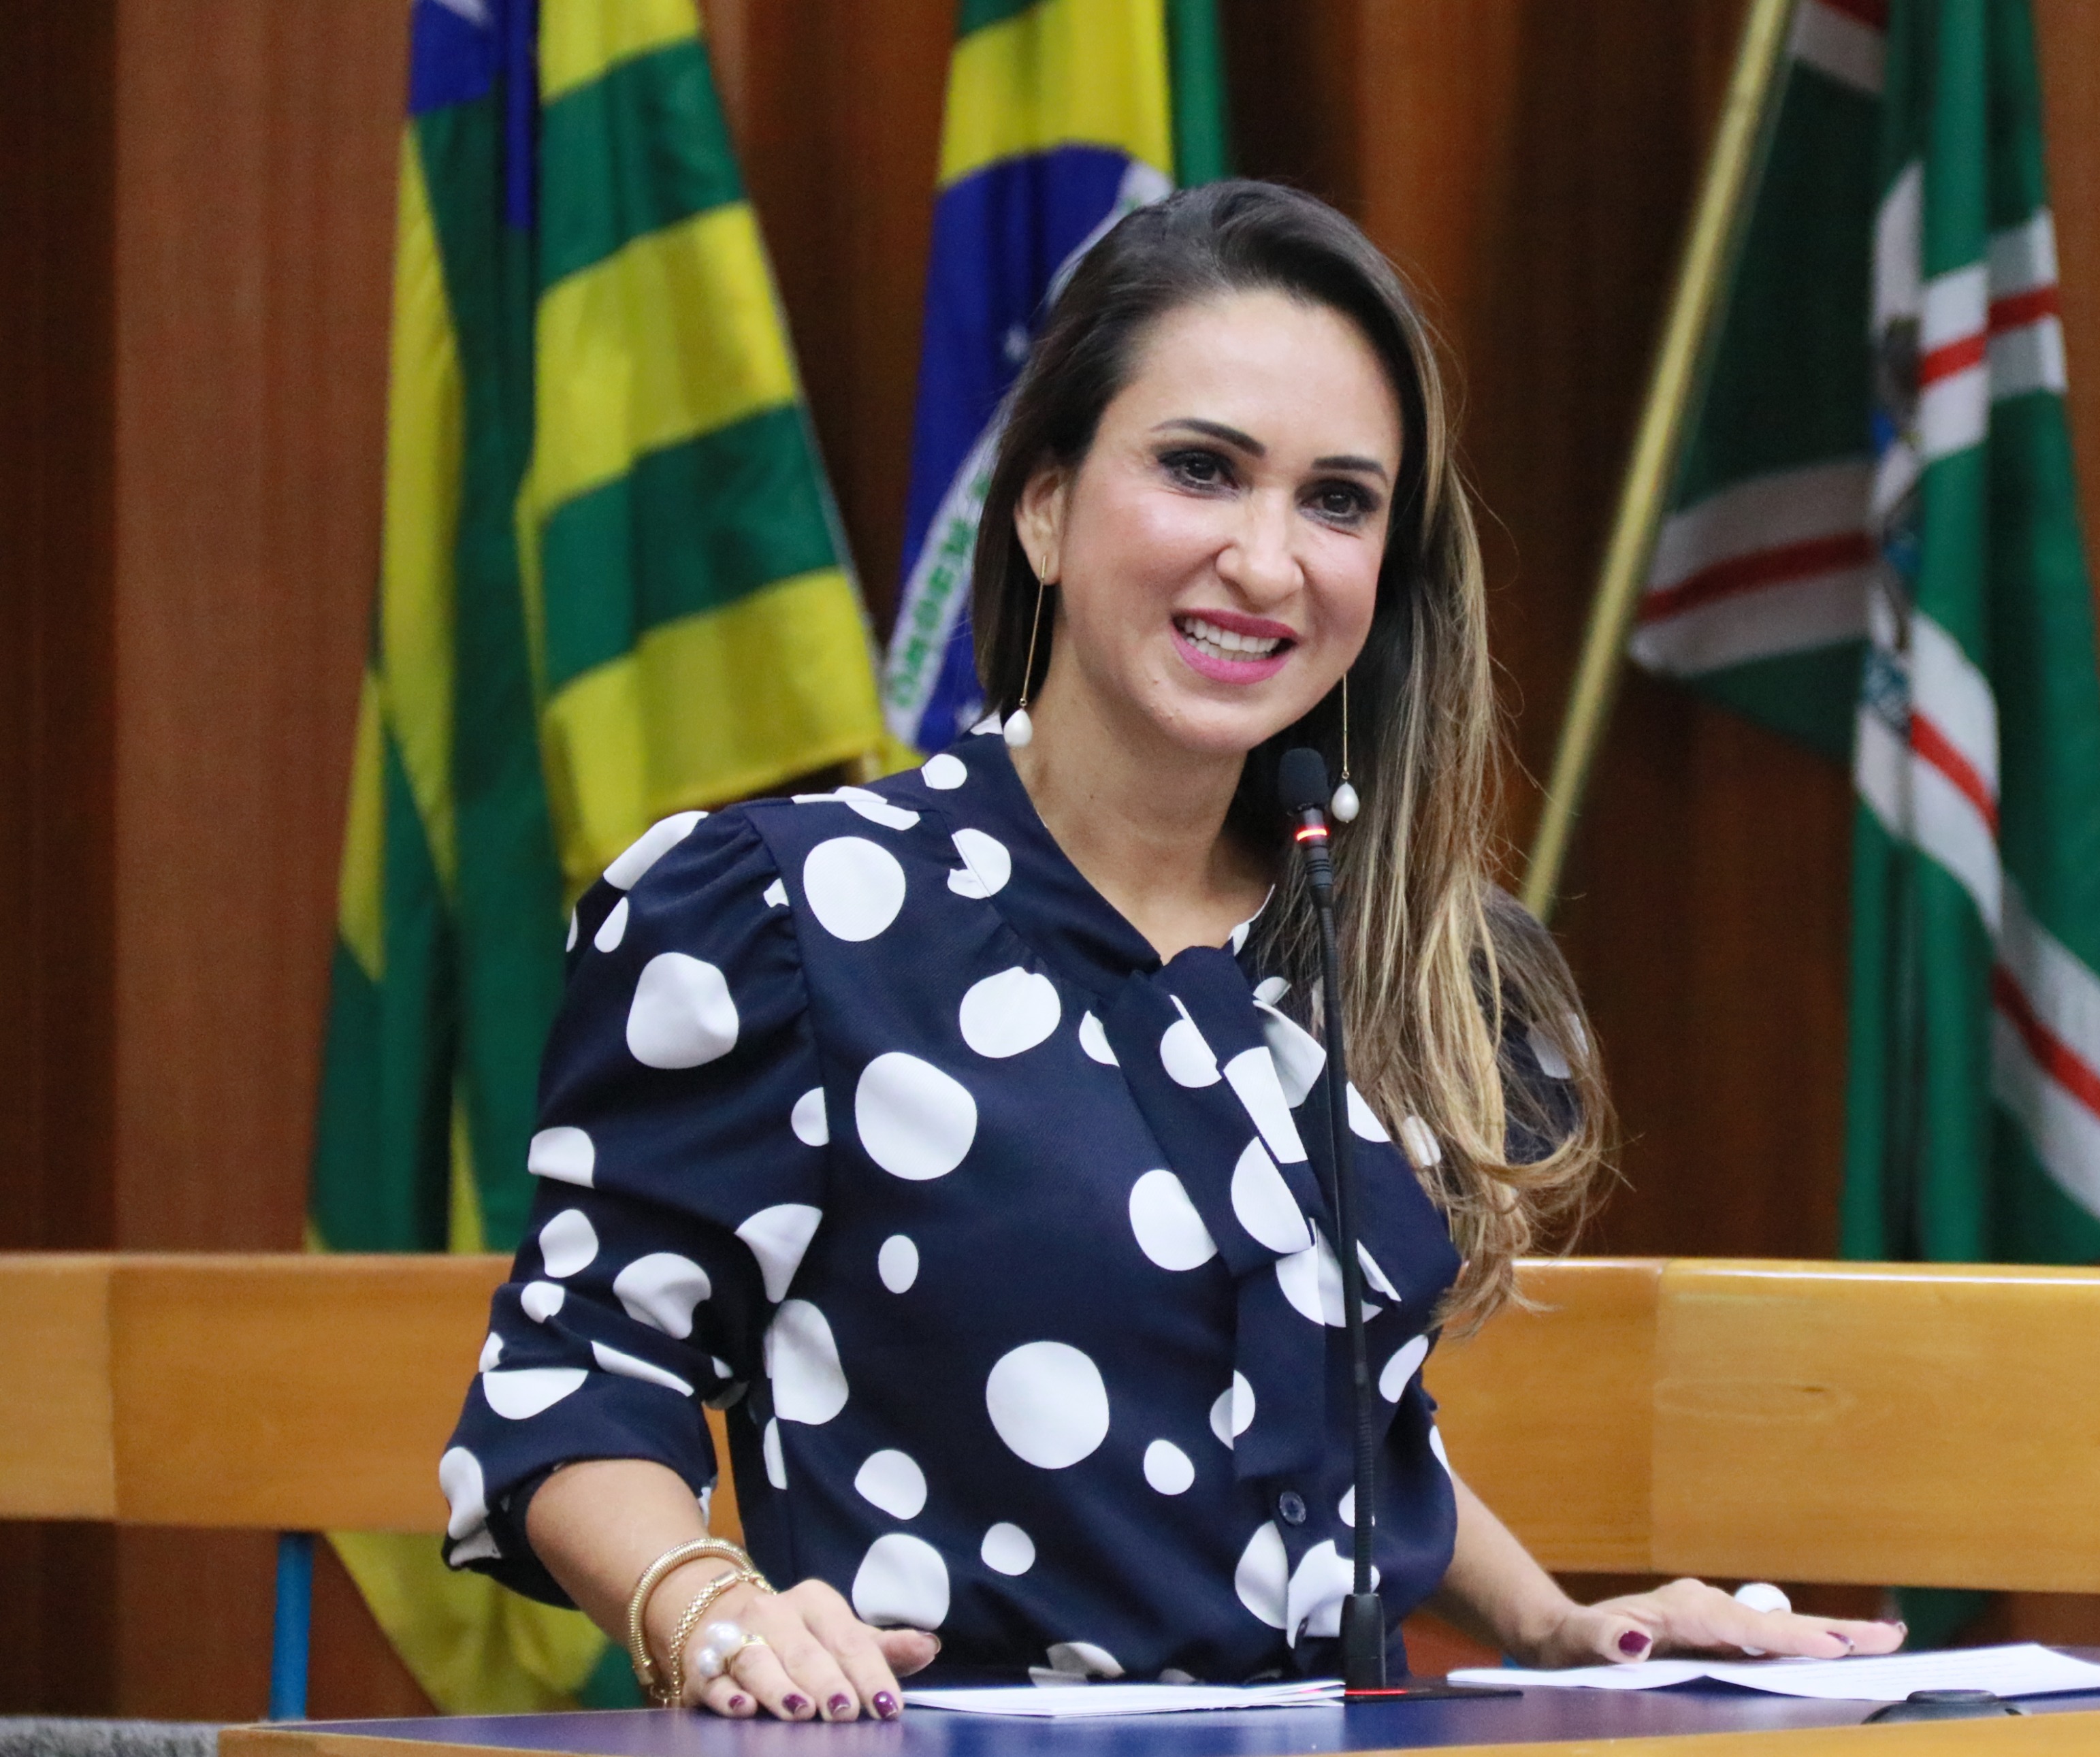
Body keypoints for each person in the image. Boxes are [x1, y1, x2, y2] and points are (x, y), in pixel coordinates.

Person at [436, 180, 1903, 1722]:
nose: (1267, 562)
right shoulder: (791, 920)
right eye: (1202, 469)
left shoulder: (1407, 950)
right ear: (1044, 505)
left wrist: (1558, 1627)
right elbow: (578, 1378)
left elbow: (1322, 1423)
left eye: (1338, 501)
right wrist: (716, 1612)